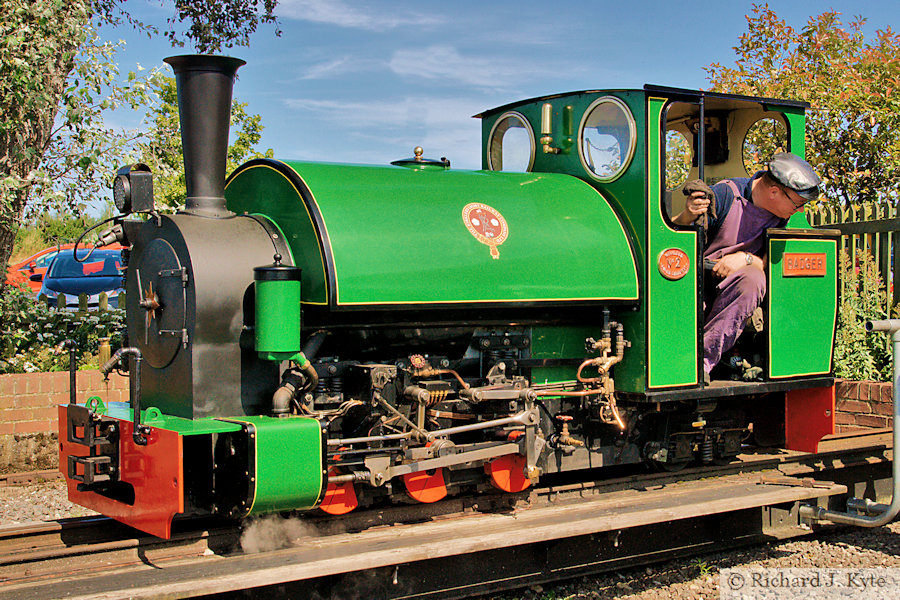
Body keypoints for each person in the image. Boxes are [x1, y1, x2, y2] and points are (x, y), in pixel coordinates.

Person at [672, 153, 821, 381]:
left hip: (738, 293)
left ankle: (700, 362)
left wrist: (746, 259)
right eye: (798, 204)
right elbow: (673, 240)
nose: (800, 211)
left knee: (753, 279)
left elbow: (775, 263)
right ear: (774, 192)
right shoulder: (724, 195)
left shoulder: (783, 218)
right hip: (696, 284)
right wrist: (687, 215)